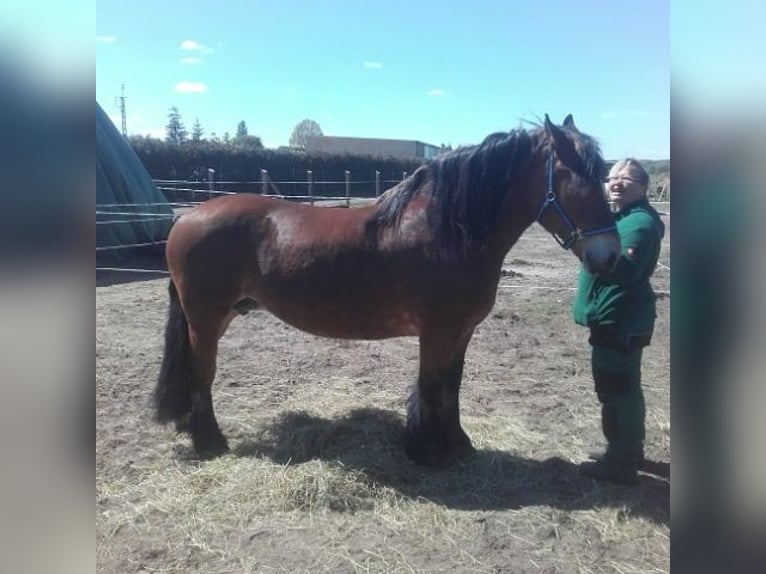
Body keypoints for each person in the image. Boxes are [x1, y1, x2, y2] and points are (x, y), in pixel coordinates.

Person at [573, 158, 666, 484]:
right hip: (615, 315)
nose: (615, 183)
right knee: (624, 388)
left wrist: (578, 245)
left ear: (643, 187)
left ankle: (621, 463)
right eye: (612, 178)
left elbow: (622, 270)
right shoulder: (622, 218)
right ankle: (625, 449)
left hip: (620, 317)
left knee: (617, 389)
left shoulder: (638, 224)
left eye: (625, 179)